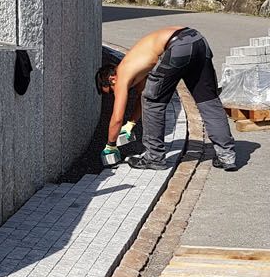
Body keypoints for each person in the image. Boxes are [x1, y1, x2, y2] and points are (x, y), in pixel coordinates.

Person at [96, 25, 238, 171]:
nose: (115, 93)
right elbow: (142, 95)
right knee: (209, 102)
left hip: (177, 46)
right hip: (197, 40)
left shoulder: (122, 73)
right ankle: (226, 156)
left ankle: (154, 158)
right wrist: (131, 123)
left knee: (153, 102)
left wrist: (110, 145)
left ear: (112, 79)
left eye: (111, 91)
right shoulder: (136, 66)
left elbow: (118, 117)